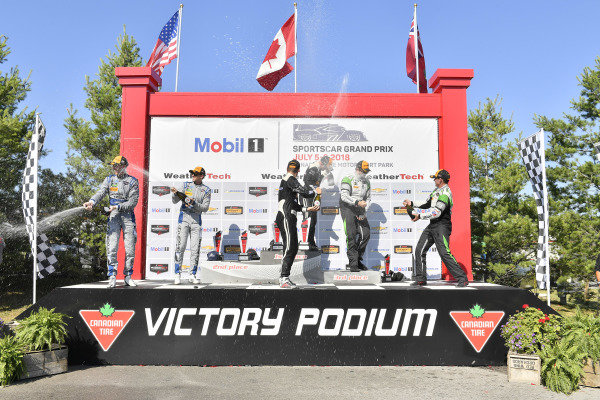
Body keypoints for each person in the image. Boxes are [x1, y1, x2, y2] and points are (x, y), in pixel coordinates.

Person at [403, 169, 468, 287]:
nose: (434, 180)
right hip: (433, 225)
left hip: (442, 226)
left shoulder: (445, 193)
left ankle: (462, 278)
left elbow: (437, 212)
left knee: (444, 253)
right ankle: (421, 279)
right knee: (420, 250)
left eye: (435, 178)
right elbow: (426, 204)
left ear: (441, 180)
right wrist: (411, 203)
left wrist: (420, 216)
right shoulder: (436, 191)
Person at [84, 155, 139, 288]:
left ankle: (128, 276)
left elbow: (133, 202)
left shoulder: (132, 181)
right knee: (112, 246)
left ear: (123, 166)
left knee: (130, 248)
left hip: (128, 217)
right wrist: (92, 201)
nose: (114, 168)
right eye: (113, 165)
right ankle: (112, 276)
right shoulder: (109, 179)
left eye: (117, 165)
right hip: (113, 216)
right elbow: (101, 192)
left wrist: (118, 206)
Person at [276, 160, 321, 288]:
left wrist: (308, 209)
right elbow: (305, 192)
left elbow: (295, 205)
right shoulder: (290, 179)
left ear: (287, 167)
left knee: (292, 246)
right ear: (299, 171)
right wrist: (316, 192)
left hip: (288, 216)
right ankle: (284, 278)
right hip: (286, 216)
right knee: (291, 247)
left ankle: (284, 276)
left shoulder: (287, 181)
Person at [171, 166, 212, 285]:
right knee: (181, 246)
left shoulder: (206, 190)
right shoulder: (185, 185)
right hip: (184, 218)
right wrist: (175, 194)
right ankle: (177, 274)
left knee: (195, 249)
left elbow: (205, 208)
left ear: (201, 176)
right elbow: (174, 201)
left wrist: (193, 203)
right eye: (192, 173)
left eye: (195, 174)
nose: (192, 175)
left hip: (196, 220)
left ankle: (192, 274)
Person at [340, 161, 372, 272]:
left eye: (366, 172)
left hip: (360, 209)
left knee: (366, 234)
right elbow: (344, 196)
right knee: (351, 235)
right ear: (357, 169)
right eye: (363, 171)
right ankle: (353, 264)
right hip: (347, 208)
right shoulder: (347, 179)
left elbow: (368, 199)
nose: (365, 174)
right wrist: (357, 202)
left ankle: (358, 259)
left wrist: (363, 212)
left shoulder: (367, 182)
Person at [302, 155, 334, 251]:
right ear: (323, 163)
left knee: (313, 220)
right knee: (307, 219)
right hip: (306, 195)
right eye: (328, 165)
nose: (329, 167)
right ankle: (305, 242)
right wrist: (316, 188)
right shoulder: (314, 167)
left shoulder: (320, 169)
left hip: (314, 196)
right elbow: (306, 181)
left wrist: (329, 176)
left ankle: (311, 242)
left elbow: (330, 181)